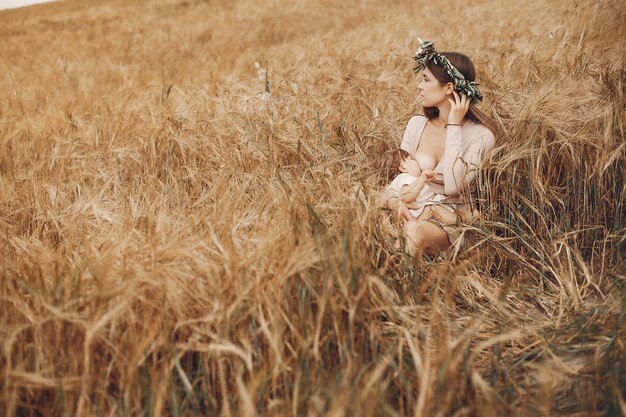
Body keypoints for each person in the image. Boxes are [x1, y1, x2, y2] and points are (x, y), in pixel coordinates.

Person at [382, 38, 498, 257]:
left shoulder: (481, 136)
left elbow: (454, 186)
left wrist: (454, 125)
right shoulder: (417, 124)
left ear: (448, 88)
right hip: (413, 206)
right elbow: (399, 177)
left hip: (451, 221)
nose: (419, 86)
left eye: (426, 79)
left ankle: (392, 283)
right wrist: (395, 203)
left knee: (417, 232)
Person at [377, 148, 438, 219]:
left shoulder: (410, 179)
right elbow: (405, 198)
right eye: (411, 159)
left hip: (421, 211)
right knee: (436, 211)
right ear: (403, 169)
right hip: (417, 212)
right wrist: (421, 180)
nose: (416, 161)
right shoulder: (406, 178)